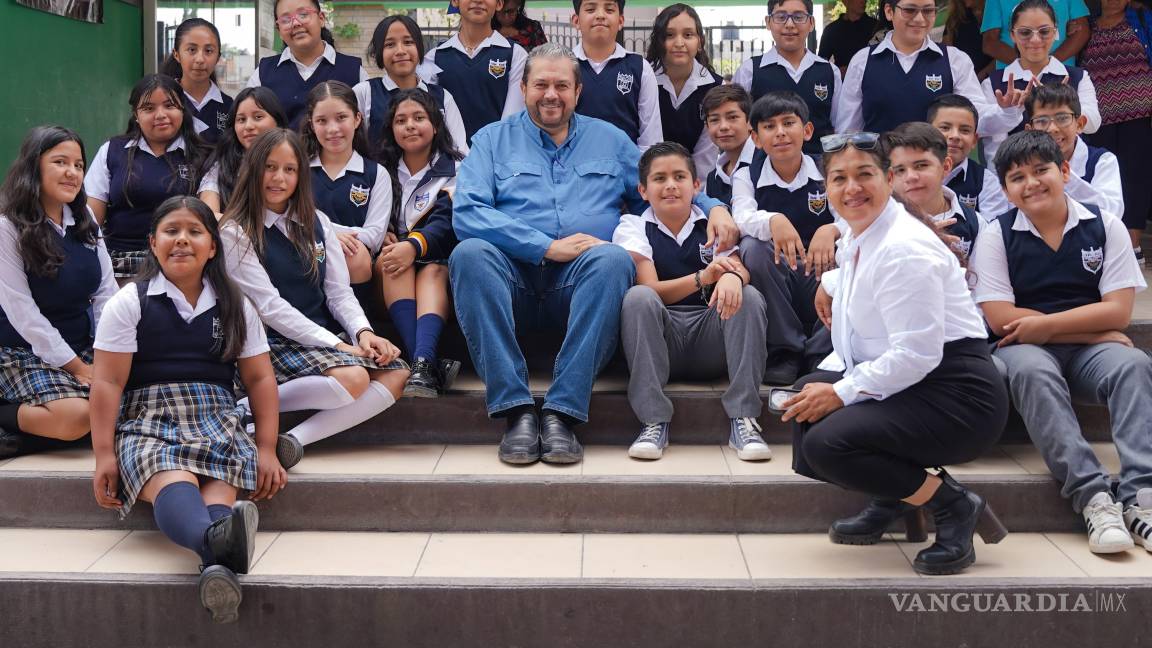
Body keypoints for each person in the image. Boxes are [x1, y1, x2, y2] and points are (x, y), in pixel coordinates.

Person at [449, 43, 739, 466]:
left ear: (578, 91)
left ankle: (562, 413)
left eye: (561, 85)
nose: (551, 95)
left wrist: (712, 207)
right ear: (524, 88)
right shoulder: (492, 140)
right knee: (470, 254)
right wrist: (545, 247)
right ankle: (516, 411)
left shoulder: (611, 140)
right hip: (513, 279)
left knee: (614, 259)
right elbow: (468, 213)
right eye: (541, 85)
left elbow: (659, 184)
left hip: (582, 285)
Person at [785, 131, 1009, 576]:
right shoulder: (864, 233)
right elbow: (869, 281)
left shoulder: (904, 247)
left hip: (958, 396)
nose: (852, 188)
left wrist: (842, 393)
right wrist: (830, 284)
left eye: (864, 174)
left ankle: (954, 505)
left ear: (888, 179)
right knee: (805, 398)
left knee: (829, 442)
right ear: (827, 188)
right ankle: (896, 496)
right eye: (839, 178)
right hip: (917, 382)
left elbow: (916, 353)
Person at [89, 196, 284, 623]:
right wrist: (104, 454)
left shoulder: (236, 304)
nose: (182, 240)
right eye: (171, 231)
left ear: (212, 247)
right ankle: (220, 550)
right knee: (169, 474)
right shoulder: (130, 302)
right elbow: (108, 383)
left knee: (220, 484)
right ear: (152, 243)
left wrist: (267, 448)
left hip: (217, 414)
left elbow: (259, 379)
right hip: (147, 418)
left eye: (195, 232)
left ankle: (215, 555)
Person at [970, 130, 1152, 554]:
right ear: (1005, 190)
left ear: (1065, 170)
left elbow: (1119, 313)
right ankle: (1093, 497)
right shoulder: (996, 235)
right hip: (1028, 349)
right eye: (1017, 177)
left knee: (1133, 365)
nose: (1031, 183)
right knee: (1033, 371)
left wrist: (1049, 326)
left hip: (1088, 353)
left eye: (1041, 170)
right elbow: (1002, 319)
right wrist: (1092, 330)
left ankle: (1142, 497)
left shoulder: (1105, 226)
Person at [220, 129, 408, 469]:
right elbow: (270, 308)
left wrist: (363, 333)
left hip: (320, 337)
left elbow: (338, 291)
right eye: (270, 167)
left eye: (289, 169)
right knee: (354, 378)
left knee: (397, 374)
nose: (279, 178)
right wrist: (337, 346)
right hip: (270, 342)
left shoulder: (317, 222)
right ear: (253, 169)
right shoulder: (235, 231)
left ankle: (293, 441)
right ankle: (244, 408)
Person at [614, 143, 771, 461]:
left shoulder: (714, 223)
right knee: (638, 297)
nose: (670, 185)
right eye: (659, 179)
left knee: (749, 296)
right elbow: (651, 287)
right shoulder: (632, 226)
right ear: (643, 190)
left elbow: (737, 267)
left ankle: (744, 419)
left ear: (696, 185)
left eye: (679, 177)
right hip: (664, 340)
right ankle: (653, 421)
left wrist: (733, 276)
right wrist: (704, 277)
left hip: (711, 338)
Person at [0, 126, 118, 458]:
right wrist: (78, 368)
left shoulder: (85, 217)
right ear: (34, 166)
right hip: (20, 350)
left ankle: (23, 436)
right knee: (79, 415)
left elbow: (106, 293)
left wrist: (105, 353)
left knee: (128, 400)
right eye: (60, 162)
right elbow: (22, 313)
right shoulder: (7, 227)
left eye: (79, 165)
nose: (72, 173)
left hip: (79, 347)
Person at [732, 91, 837, 384]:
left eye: (788, 123)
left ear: (807, 130)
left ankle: (822, 352)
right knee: (752, 248)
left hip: (822, 268)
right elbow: (741, 217)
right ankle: (784, 350)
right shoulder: (747, 175)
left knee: (852, 250)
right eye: (769, 126)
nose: (780, 133)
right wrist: (773, 220)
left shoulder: (828, 170)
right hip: (779, 272)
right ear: (756, 138)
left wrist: (832, 229)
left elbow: (855, 215)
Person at [376, 88, 465, 397]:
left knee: (433, 271)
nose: (410, 126)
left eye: (419, 118)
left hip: (436, 257)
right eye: (400, 120)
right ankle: (425, 365)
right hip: (391, 265)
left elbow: (447, 222)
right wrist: (384, 232)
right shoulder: (379, 169)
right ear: (391, 128)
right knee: (391, 262)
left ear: (436, 125)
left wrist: (413, 246)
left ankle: (421, 362)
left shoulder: (457, 168)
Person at [85, 74, 209, 281]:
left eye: (169, 105)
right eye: (149, 108)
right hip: (119, 267)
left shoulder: (203, 156)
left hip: (181, 265)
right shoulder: (112, 151)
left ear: (182, 109)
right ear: (136, 114)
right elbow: (91, 221)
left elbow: (208, 217)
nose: (160, 115)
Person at [836, 0, 1011, 135]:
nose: (920, 18)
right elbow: (848, 131)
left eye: (928, 11)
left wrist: (1007, 111)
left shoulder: (955, 60)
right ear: (889, 11)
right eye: (909, 10)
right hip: (880, 168)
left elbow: (975, 117)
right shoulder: (863, 61)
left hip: (934, 168)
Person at [979, 0, 1100, 163]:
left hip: (1072, 172)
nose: (1035, 40)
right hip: (1017, 174)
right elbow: (990, 141)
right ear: (1012, 35)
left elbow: (1093, 123)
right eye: (1025, 32)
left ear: (1055, 32)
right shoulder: (993, 84)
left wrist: (1061, 104)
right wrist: (1006, 112)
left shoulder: (1078, 77)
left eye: (1044, 31)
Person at [1081, 0, 1152, 265]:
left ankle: (1132, 244)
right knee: (1104, 176)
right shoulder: (1086, 26)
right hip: (1099, 119)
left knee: (1136, 177)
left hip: (1139, 114)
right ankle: (1110, 239)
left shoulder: (1142, 19)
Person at [301, 81, 391, 289]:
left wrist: (328, 234)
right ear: (312, 125)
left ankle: (355, 310)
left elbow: (374, 236)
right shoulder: (298, 170)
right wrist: (330, 235)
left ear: (357, 119)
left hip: (353, 260)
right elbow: (290, 220)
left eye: (341, 117)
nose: (332, 129)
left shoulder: (376, 174)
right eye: (322, 121)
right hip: (306, 250)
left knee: (354, 252)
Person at [733, 0, 842, 157]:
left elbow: (840, 127)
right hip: (765, 166)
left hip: (818, 166)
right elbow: (739, 125)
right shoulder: (750, 70)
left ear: (811, 23)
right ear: (768, 22)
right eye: (781, 17)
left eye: (798, 17)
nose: (790, 24)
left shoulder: (829, 71)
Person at [353, 15, 468, 154]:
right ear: (378, 53)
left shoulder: (442, 97)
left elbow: (460, 150)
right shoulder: (365, 92)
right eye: (390, 44)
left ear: (419, 48)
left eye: (408, 42)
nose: (400, 51)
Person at [246, 0, 368, 129]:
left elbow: (366, 129)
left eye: (303, 14)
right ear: (278, 30)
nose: (296, 23)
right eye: (286, 20)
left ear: (321, 19)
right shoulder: (263, 73)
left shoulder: (354, 71)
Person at [424, 0, 528, 145]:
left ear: (499, 3)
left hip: (496, 152)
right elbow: (430, 116)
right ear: (455, 1)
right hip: (450, 154)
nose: (478, 1)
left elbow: (511, 120)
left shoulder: (516, 55)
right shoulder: (433, 58)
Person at [882, 122, 984, 260]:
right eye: (900, 170)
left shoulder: (975, 223)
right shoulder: (877, 222)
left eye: (921, 165)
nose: (911, 177)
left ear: (946, 166)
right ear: (889, 178)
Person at [572, 0, 663, 149]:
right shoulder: (563, 66)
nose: (600, 15)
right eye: (590, 9)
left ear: (620, 21)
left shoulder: (640, 68)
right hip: (574, 162)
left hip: (627, 163)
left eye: (609, 10)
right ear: (576, 21)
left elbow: (651, 140)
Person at [1023, 83, 1124, 218]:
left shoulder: (1102, 160)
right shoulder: (1022, 165)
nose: (1052, 128)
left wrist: (1065, 175)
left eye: (1062, 118)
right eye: (1042, 121)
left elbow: (1113, 212)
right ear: (1030, 130)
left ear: (1080, 124)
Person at [647, 4, 723, 177]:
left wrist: (692, 187)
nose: (679, 43)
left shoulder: (715, 87)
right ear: (658, 41)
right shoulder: (643, 79)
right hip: (650, 177)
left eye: (688, 35)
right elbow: (645, 141)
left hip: (696, 181)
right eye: (669, 35)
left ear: (700, 42)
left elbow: (706, 154)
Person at [199, 87, 289, 214]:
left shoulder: (294, 160)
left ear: (277, 121)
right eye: (241, 119)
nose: (248, 126)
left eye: (258, 117)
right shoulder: (224, 165)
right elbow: (209, 215)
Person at [928, 93, 1012, 218]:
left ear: (974, 140)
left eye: (964, 130)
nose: (955, 136)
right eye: (945, 128)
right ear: (928, 132)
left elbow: (993, 228)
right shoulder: (909, 174)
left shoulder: (986, 182)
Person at [161, 18, 234, 144]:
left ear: (218, 57)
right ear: (176, 54)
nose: (200, 59)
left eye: (208, 51)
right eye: (192, 50)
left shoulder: (230, 106)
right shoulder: (160, 101)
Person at [982, 0, 1089, 68]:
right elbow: (990, 43)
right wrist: (1028, 64)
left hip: (1062, 76)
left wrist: (1050, 64)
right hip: (1014, 79)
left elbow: (1082, 31)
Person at [701, 85, 757, 207]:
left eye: (732, 117)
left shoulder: (768, 162)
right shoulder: (712, 179)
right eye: (714, 120)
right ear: (707, 127)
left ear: (750, 122)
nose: (724, 127)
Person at [818, 0, 878, 77]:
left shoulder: (876, 28)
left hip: (870, 81)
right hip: (842, 82)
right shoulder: (831, 30)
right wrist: (836, 72)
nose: (863, 1)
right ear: (845, 1)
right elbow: (821, 64)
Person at [944, 0, 995, 80]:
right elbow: (947, 56)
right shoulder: (954, 20)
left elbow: (1005, 51)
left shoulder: (995, 14)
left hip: (994, 77)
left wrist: (981, 76)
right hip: (963, 80)